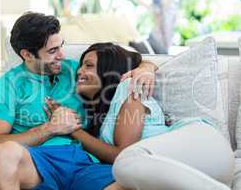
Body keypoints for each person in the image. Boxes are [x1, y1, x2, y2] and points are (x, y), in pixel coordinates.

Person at [0, 12, 157, 190]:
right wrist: (48, 129)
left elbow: (123, 61)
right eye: (53, 51)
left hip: (84, 161)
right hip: (38, 161)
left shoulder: (76, 71)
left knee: (137, 183)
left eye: (60, 46)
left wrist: (146, 69)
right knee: (2, 152)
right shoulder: (6, 86)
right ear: (28, 55)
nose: (62, 55)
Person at [46, 42, 235, 189]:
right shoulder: (101, 117)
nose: (80, 71)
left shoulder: (128, 88)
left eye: (88, 65)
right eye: (80, 66)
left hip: (204, 145)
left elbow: (122, 154)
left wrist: (75, 131)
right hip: (197, 171)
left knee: (124, 165)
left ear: (107, 71)